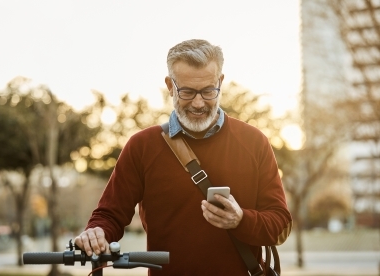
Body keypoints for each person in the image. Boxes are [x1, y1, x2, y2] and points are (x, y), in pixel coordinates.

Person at [75, 39, 292, 275]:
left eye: (208, 90)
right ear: (170, 86)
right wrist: (96, 231)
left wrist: (241, 220)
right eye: (187, 91)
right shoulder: (141, 147)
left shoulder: (255, 142)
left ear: (220, 82)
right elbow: (110, 215)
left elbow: (280, 224)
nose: (198, 103)